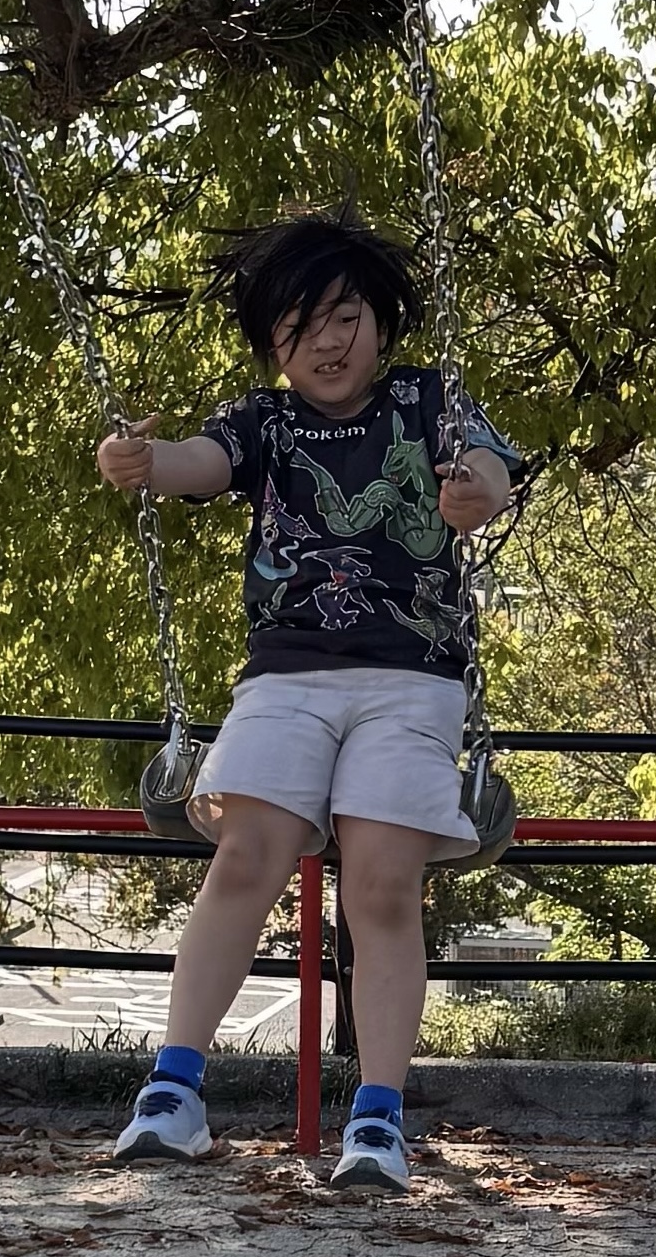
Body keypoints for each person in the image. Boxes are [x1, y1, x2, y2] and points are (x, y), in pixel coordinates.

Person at [94, 209, 519, 1191]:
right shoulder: (266, 421)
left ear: (381, 320)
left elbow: (487, 465)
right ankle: (174, 1091)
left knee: (380, 883)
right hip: (286, 673)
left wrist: (476, 493)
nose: (326, 342)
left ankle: (377, 1117)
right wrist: (143, 462)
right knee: (246, 852)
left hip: (412, 677)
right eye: (297, 327)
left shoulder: (427, 398)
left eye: (344, 317)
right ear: (271, 346)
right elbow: (201, 460)